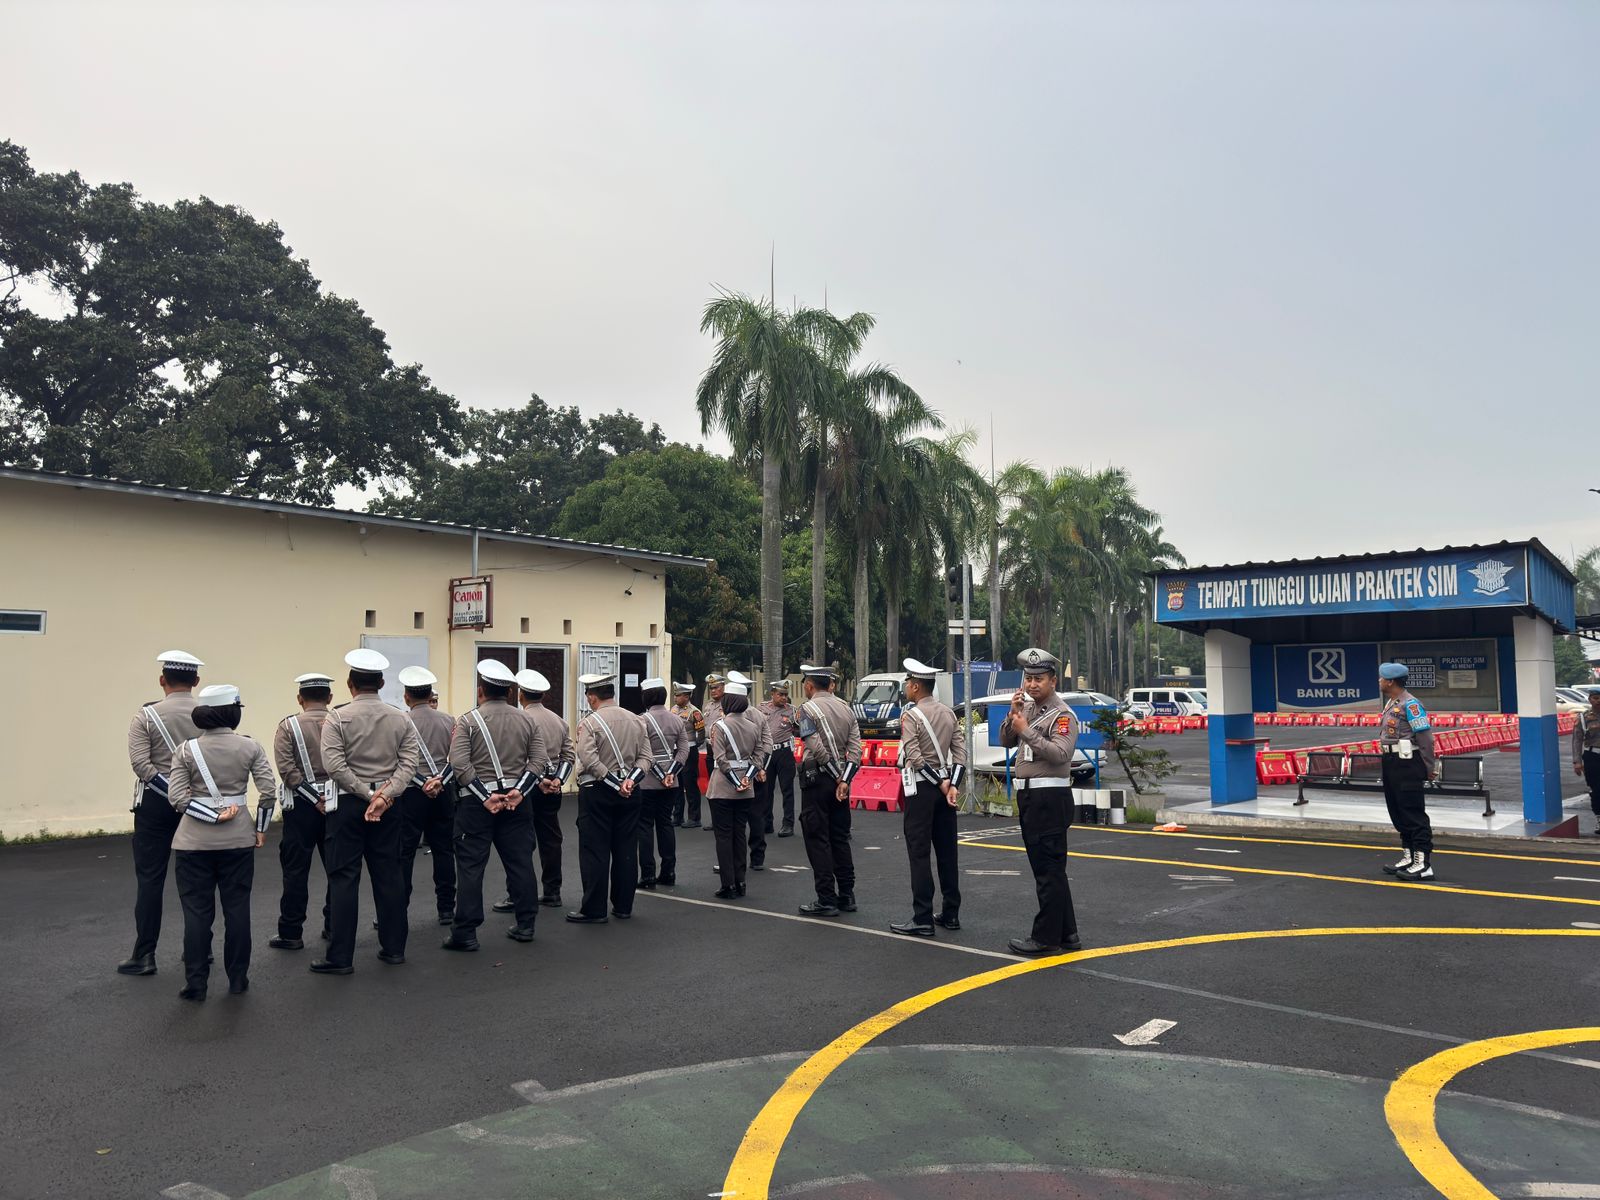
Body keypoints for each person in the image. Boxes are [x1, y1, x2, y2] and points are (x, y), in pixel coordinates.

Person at [312, 648, 421, 974]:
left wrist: (366, 793)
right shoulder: (400, 717)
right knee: (389, 874)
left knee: (344, 878)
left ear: (350, 684)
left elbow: (334, 765)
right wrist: (384, 796)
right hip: (389, 805)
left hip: (347, 803)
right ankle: (394, 949)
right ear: (382, 683)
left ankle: (340, 957)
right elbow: (409, 764)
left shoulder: (337, 717)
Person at [167, 684, 276, 1000]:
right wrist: (260, 828)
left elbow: (177, 798)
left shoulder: (186, 750)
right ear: (233, 713)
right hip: (238, 840)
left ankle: (196, 983)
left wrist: (211, 816)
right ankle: (238, 979)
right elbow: (269, 792)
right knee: (237, 910)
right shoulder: (250, 747)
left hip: (192, 842)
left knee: (196, 913)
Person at [443, 659, 545, 949]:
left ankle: (465, 932)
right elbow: (539, 760)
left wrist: (485, 796)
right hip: (516, 802)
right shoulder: (527, 720)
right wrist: (519, 792)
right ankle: (526, 924)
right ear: (510, 693)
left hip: (476, 805)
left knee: (471, 867)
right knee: (520, 862)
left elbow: (459, 764)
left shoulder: (468, 721)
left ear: (480, 691)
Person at [120, 650, 205, 977]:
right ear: (196, 680)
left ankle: (144, 955)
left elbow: (141, 765)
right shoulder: (207, 714)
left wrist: (171, 791)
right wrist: (187, 796)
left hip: (155, 805)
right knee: (196, 880)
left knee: (150, 880)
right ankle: (198, 949)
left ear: (162, 680)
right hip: (197, 803)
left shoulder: (146, 716)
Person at [1000, 648, 1081, 956]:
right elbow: (1006, 740)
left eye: (1039, 679)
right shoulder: (1029, 709)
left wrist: (1027, 731)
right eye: (1029, 679)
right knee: (1049, 869)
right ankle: (1068, 933)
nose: (1032, 685)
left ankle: (1046, 938)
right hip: (1031, 797)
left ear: (1053, 681)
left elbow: (1061, 753)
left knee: (1048, 870)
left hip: (1049, 798)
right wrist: (1013, 715)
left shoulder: (1062, 715)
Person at [890, 658, 967, 938]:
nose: (906, 689)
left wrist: (939, 784)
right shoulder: (948, 713)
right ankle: (951, 913)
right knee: (947, 853)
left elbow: (914, 756)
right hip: (946, 790)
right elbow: (960, 754)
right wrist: (952, 785)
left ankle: (922, 917)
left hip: (922, 790)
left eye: (908, 684)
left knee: (919, 853)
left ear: (915, 686)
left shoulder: (911, 716)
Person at [567, 673, 651, 923]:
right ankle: (623, 906)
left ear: (592, 697)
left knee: (595, 850)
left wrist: (613, 782)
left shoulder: (589, 723)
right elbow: (646, 758)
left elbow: (588, 759)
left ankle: (594, 909)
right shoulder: (637, 720)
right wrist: (629, 781)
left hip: (597, 790)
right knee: (626, 848)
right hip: (630, 791)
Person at [268, 672, 336, 951]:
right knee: (337, 868)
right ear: (329, 697)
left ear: (300, 698)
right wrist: (325, 797)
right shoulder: (341, 721)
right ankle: (334, 926)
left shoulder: (288, 726)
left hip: (301, 807)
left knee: (295, 870)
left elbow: (287, 771)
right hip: (336, 803)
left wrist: (313, 797)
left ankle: (291, 931)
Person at [501, 668, 575, 909]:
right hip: (552, 786)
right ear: (542, 695)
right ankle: (552, 891)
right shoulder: (559, 721)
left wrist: (538, 778)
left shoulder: (518, 719)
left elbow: (515, 757)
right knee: (551, 839)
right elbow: (568, 757)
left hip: (525, 785)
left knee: (519, 841)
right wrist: (558, 780)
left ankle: (517, 894)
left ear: (520, 694)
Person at [794, 664, 863, 918]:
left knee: (817, 838)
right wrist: (844, 779)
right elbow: (856, 750)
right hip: (842, 782)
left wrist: (835, 776)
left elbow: (815, 746)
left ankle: (826, 898)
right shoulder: (846, 708)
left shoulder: (807, 709)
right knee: (840, 838)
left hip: (819, 780)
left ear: (810, 685)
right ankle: (847, 894)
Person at [397, 666, 457, 927]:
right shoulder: (449, 720)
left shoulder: (399, 721)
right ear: (430, 694)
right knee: (444, 850)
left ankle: (398, 908)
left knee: (405, 852)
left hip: (411, 793)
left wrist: (422, 782)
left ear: (406, 696)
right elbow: (457, 758)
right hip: (443, 790)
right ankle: (446, 908)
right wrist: (438, 781)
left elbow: (397, 761)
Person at [706, 681, 768, 898]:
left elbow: (720, 759)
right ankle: (741, 882)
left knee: (724, 836)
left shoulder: (719, 726)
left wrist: (734, 781)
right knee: (739, 833)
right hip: (746, 787)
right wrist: (746, 779)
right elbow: (759, 757)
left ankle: (728, 884)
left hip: (722, 787)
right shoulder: (753, 727)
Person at [1377, 662, 1438, 881]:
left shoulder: (1411, 705)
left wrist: (1429, 767)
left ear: (1390, 681)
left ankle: (1423, 864)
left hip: (1408, 763)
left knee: (1413, 812)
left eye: (1382, 678)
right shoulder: (1392, 703)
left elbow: (1425, 739)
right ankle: (1409, 856)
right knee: (1397, 810)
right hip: (1391, 761)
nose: (1379, 681)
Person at [637, 677, 690, 889]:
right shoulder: (677, 719)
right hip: (671, 781)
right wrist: (671, 773)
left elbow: (639, 751)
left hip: (646, 781)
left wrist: (658, 773)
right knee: (665, 824)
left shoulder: (641, 720)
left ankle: (648, 874)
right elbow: (684, 750)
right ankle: (669, 872)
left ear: (646, 697)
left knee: (645, 827)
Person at [728, 671, 771, 871]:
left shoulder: (728, 717)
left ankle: (732, 859)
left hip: (732, 774)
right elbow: (767, 745)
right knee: (756, 816)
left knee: (733, 820)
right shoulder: (759, 715)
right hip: (755, 771)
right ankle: (757, 858)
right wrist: (761, 769)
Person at [759, 680, 799, 837]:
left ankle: (788, 824)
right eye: (780, 694)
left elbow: (800, 730)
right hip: (767, 753)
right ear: (772, 694)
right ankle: (767, 823)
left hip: (784, 752)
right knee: (766, 789)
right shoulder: (761, 708)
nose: (783, 697)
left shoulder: (792, 711)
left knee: (787, 790)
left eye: (786, 695)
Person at [670, 682, 705, 828]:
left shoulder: (694, 712)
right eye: (675, 695)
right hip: (676, 750)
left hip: (689, 750)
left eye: (678, 695)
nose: (675, 697)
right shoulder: (673, 709)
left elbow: (701, 733)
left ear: (686, 696)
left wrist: (694, 745)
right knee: (676, 784)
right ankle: (677, 816)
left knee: (690, 784)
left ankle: (694, 817)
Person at [697, 673, 727, 831]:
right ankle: (715, 819)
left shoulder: (728, 703)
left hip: (723, 748)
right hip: (710, 748)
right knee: (712, 785)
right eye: (711, 688)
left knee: (724, 784)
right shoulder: (708, 705)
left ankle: (724, 819)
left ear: (723, 687)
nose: (713, 690)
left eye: (716, 687)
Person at [1574, 689, 1600, 837]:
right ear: (1590, 699)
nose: (1598, 701)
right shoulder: (1583, 718)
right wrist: (1577, 761)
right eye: (1595, 698)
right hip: (1592, 756)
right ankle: (1599, 818)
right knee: (1596, 789)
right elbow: (1577, 740)